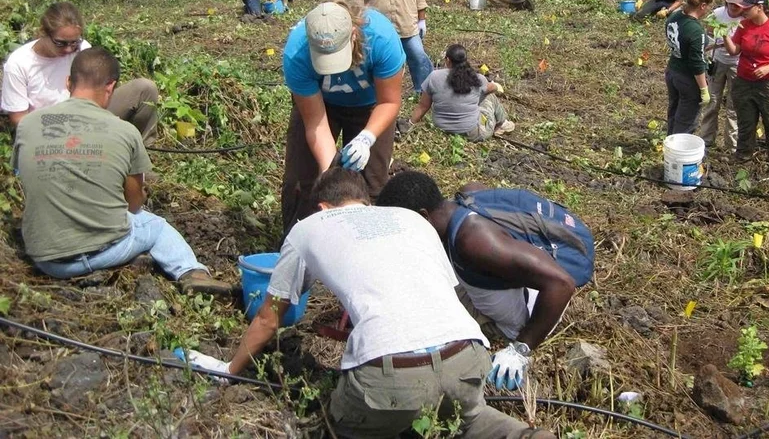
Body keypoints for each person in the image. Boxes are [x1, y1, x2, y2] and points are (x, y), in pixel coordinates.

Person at [181, 168, 554, 438]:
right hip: (468, 355)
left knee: (334, 428)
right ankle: (526, 435)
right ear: (365, 201)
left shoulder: (308, 229)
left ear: (324, 207)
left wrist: (230, 368)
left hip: (390, 375)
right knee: (468, 418)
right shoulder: (411, 220)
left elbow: (268, 317)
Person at [13, 47, 229, 294]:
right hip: (102, 253)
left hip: (45, 259)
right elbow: (134, 204)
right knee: (155, 225)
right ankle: (192, 272)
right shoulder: (125, 132)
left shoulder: (29, 124)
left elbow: (27, 179)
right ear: (110, 87)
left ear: (68, 82)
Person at [377, 171, 578, 387]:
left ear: (424, 216)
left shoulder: (473, 241)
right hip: (519, 283)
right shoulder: (465, 199)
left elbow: (562, 283)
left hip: (529, 321)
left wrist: (520, 349)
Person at [280, 1, 404, 236]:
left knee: (372, 182)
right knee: (302, 181)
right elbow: (315, 122)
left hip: (371, 107)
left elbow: (389, 101)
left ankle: (368, 242)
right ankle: (299, 243)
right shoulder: (296, 53)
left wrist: (366, 138)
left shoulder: (381, 39)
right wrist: (331, 175)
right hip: (322, 105)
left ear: (354, 34)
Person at [1, 2, 159, 144]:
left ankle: (140, 155)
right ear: (43, 33)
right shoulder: (19, 64)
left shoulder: (83, 49)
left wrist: (102, 117)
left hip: (89, 115)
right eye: (61, 43)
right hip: (50, 131)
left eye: (74, 42)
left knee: (145, 89)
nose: (69, 49)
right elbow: (19, 120)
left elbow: (99, 88)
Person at [724, 0, 769, 165]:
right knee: (745, 121)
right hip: (744, 82)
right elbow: (734, 51)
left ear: (760, 8)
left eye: (747, 7)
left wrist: (768, 68)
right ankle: (743, 157)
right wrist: (724, 35)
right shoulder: (743, 26)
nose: (743, 11)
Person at [408, 44, 514, 141]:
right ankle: (503, 123)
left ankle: (501, 123)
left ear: (448, 60)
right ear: (465, 60)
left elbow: (423, 106)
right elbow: (492, 88)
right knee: (490, 96)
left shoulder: (434, 77)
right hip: (472, 133)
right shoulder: (477, 79)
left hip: (442, 130)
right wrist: (495, 85)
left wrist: (410, 123)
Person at [697, 0, 751, 152]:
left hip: (738, 65)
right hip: (718, 62)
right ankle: (707, 139)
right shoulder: (718, 14)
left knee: (734, 106)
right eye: (732, 3)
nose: (735, 7)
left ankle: (732, 144)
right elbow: (710, 32)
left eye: (739, 5)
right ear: (727, 0)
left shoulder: (747, 19)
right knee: (712, 101)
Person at [665, 0, 716, 135]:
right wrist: (703, 89)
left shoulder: (674, 17)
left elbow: (682, 44)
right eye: (709, 6)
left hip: (672, 72)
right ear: (703, 5)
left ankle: (670, 141)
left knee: (674, 112)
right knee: (686, 120)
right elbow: (697, 63)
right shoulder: (695, 30)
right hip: (688, 79)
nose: (708, 10)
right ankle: (678, 153)